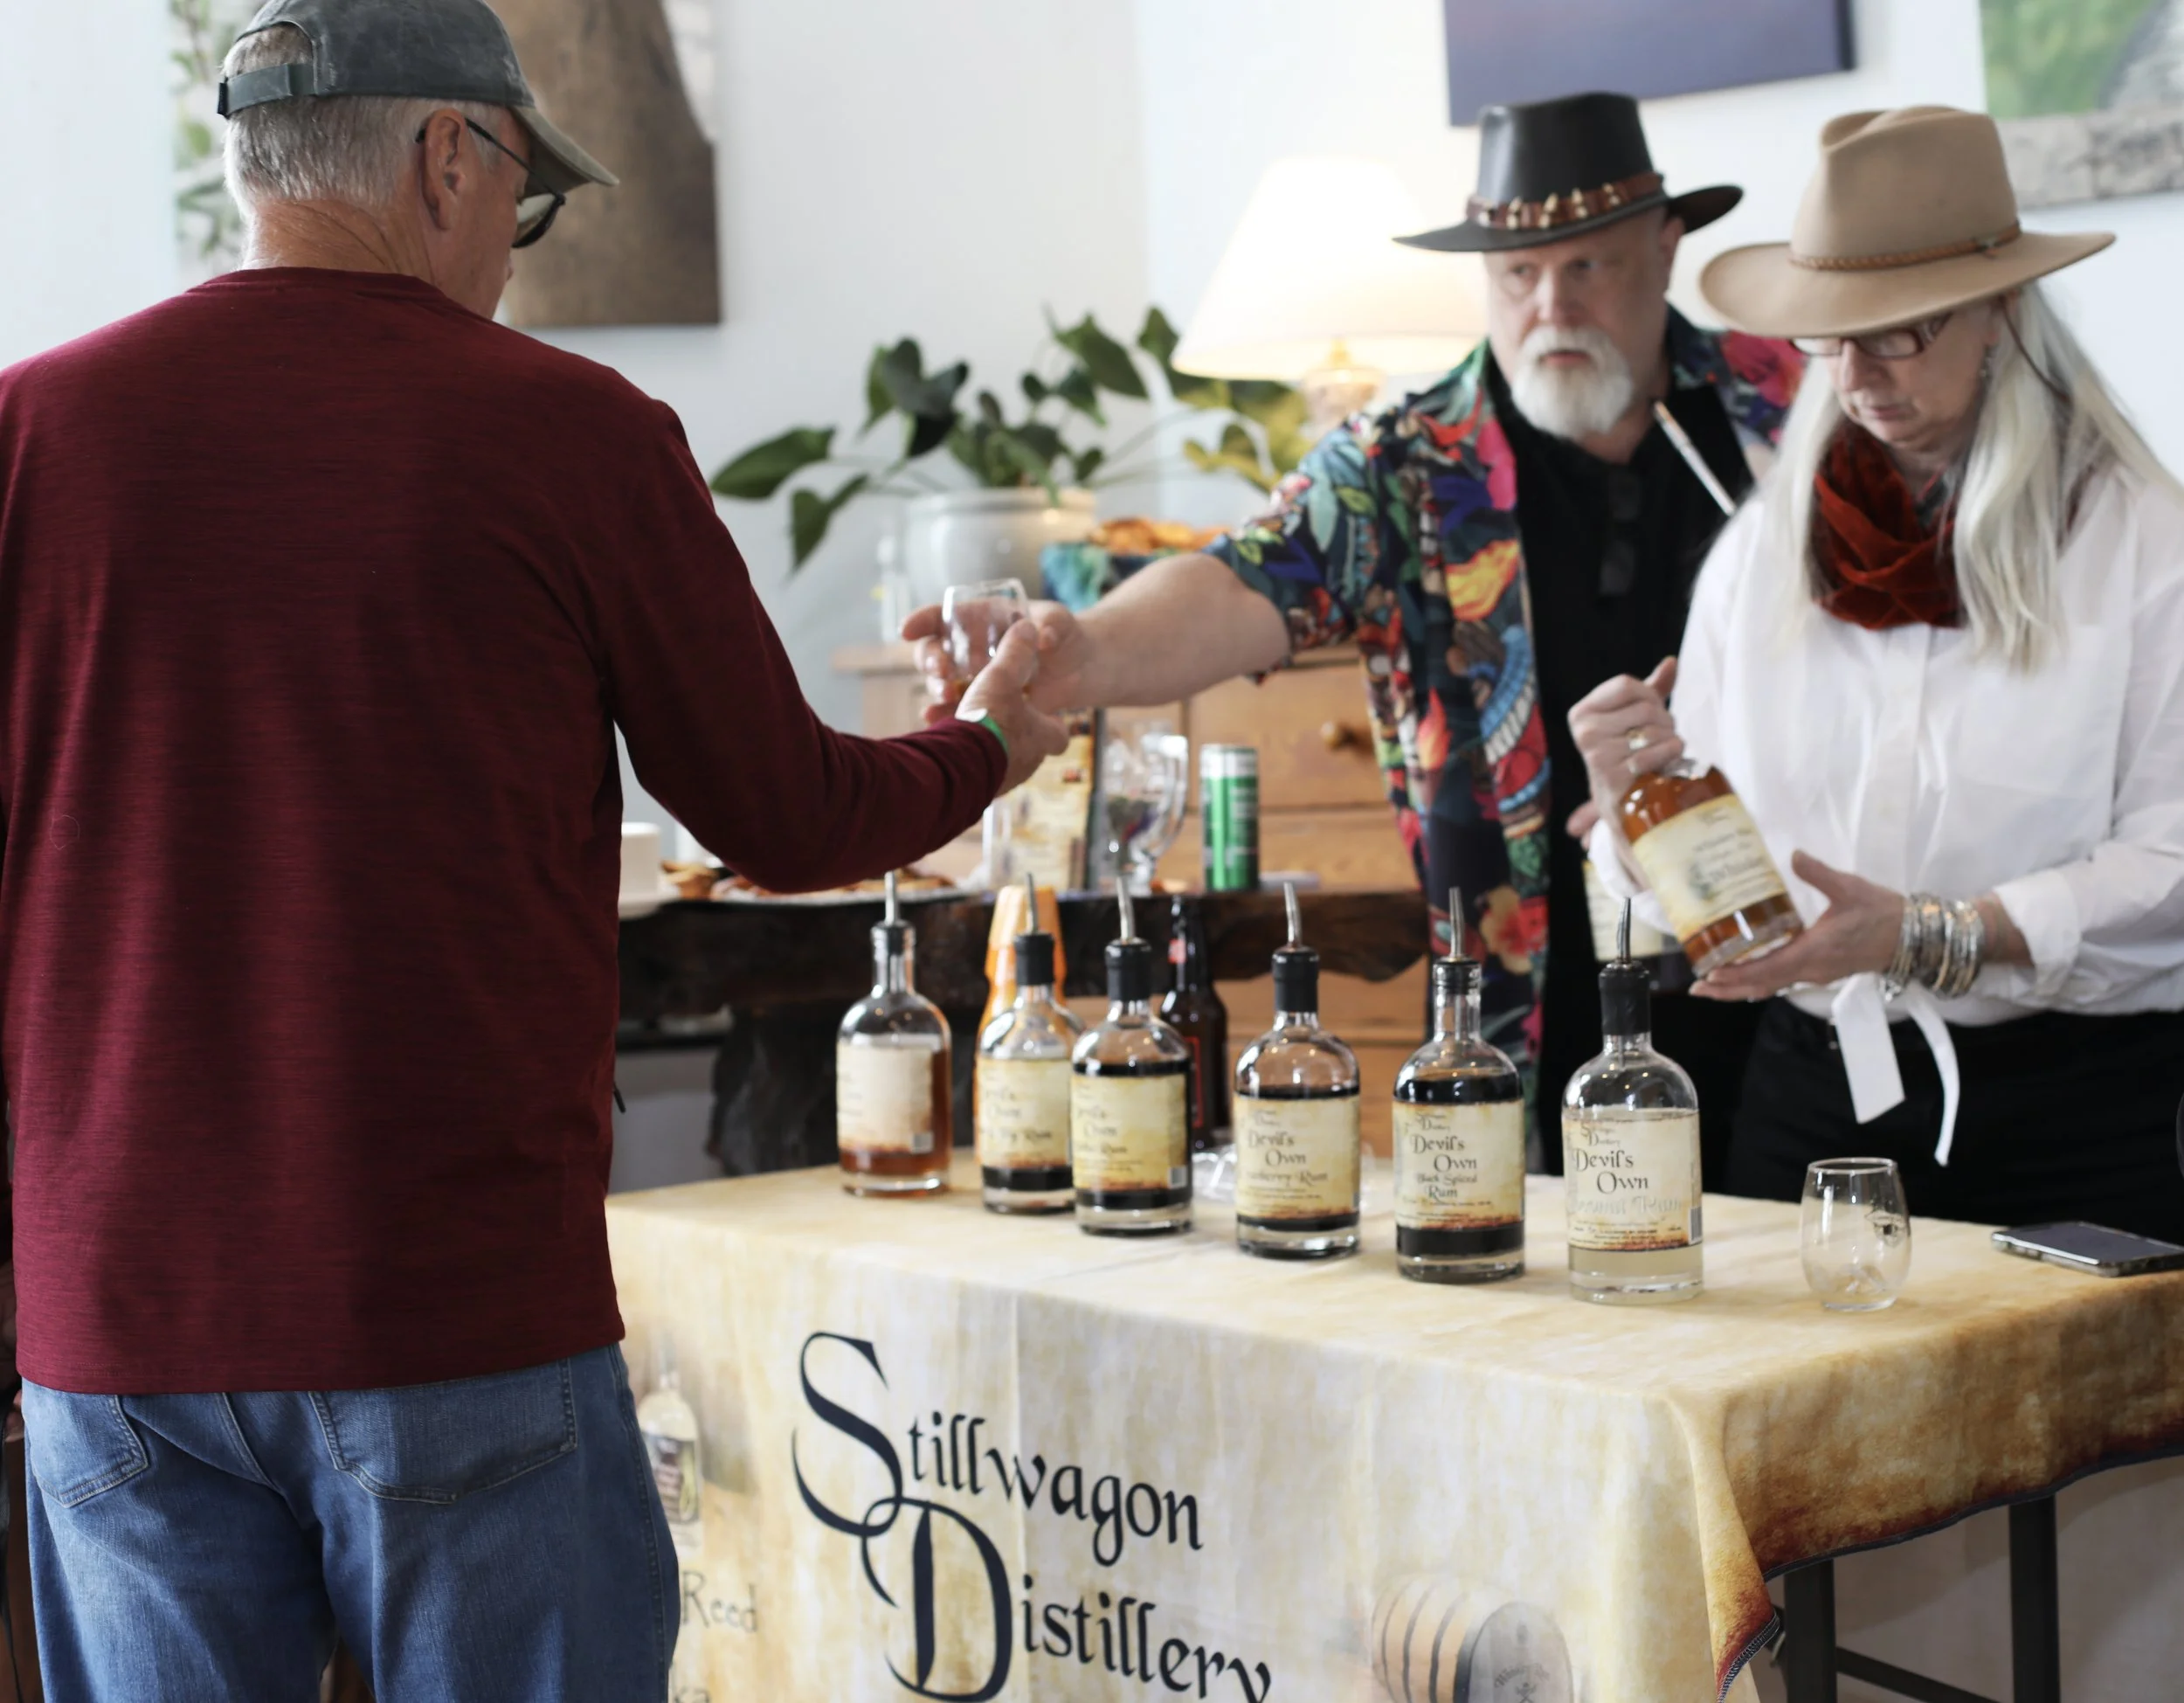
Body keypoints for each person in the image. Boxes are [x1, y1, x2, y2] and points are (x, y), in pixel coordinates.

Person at [0, 2, 1063, 1698]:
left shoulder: (30, 431)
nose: (513, 242)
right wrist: (997, 731)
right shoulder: (568, 430)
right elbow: (784, 815)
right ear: (447, 155)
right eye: (524, 196)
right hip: (451, 1304)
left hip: (113, 1324)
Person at [913, 92, 1803, 1171]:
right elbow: (1240, 582)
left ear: (1664, 252)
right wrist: (1078, 652)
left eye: (1589, 267)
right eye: (1517, 275)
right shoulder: (1407, 460)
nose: (1549, 307)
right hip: (1530, 1001)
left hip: (1807, 977)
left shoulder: (1789, 406)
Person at [1572, 106, 2184, 1241]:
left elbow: (2173, 867)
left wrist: (1928, 934)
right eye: (1831, 333)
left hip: (2084, 1124)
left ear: (2004, 310)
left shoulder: (2145, 543)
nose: (1856, 373)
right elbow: (1685, 883)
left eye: (1901, 329)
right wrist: (1632, 811)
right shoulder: (1764, 553)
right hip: (1810, 1103)